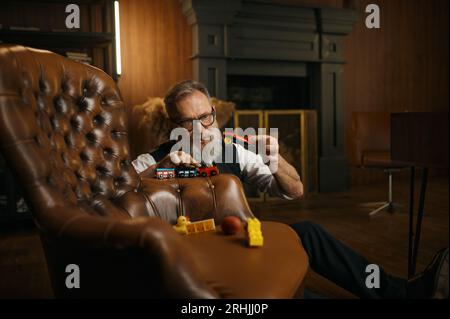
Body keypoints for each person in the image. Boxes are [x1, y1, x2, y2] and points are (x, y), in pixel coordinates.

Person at [132, 79, 448, 299]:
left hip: (242, 243)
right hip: (193, 256)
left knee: (308, 231)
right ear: (174, 125)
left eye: (206, 117)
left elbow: (295, 191)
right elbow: (114, 192)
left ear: (214, 115)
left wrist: (276, 158)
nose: (201, 130)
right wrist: (161, 169)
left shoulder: (234, 150)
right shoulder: (155, 157)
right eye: (188, 122)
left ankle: (401, 293)